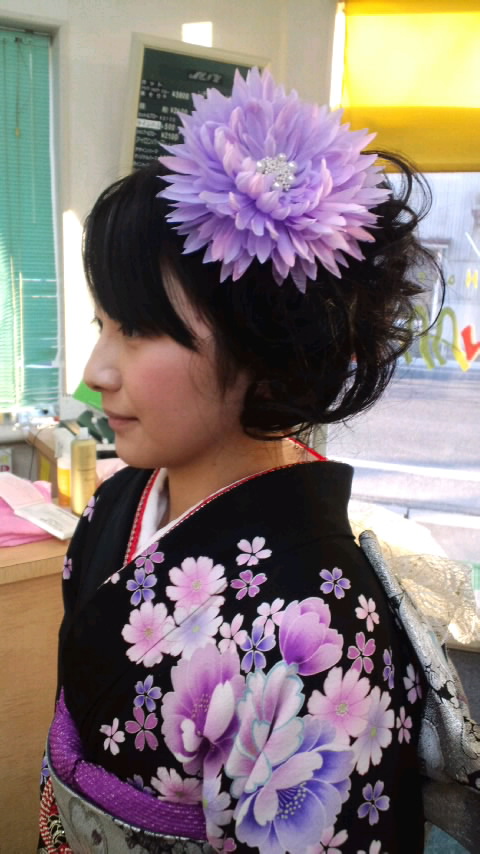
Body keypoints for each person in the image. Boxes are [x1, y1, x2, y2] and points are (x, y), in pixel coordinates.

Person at [39, 68, 442, 854]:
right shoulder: (115, 505)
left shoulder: (318, 629)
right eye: (101, 323)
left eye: (136, 331)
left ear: (262, 343)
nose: (96, 371)